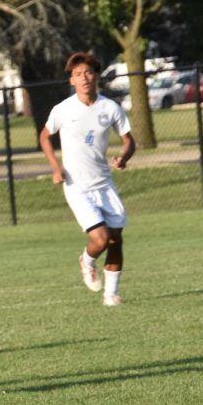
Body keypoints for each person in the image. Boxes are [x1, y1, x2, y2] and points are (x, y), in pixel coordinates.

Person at [39, 51, 137, 306]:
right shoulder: (63, 109)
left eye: (88, 73)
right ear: (71, 80)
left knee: (116, 239)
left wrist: (124, 157)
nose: (83, 78)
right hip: (76, 185)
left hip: (104, 184)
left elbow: (129, 141)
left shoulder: (110, 108)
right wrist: (55, 167)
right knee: (101, 238)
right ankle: (86, 259)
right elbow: (44, 136)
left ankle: (111, 294)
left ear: (96, 77)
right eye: (77, 74)